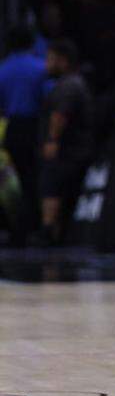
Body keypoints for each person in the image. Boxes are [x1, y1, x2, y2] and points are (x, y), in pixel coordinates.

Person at [37, 39, 93, 245]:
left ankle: (48, 232)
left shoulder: (69, 85)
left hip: (68, 150)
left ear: (64, 61)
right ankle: (55, 232)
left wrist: (52, 140)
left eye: (51, 59)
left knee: (52, 187)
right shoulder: (71, 82)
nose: (46, 64)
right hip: (73, 149)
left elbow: (60, 115)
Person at [0, 25, 47, 244]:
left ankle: (17, 231)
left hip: (12, 128)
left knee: (16, 181)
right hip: (34, 127)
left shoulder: (3, 69)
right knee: (34, 180)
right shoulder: (41, 68)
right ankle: (34, 228)